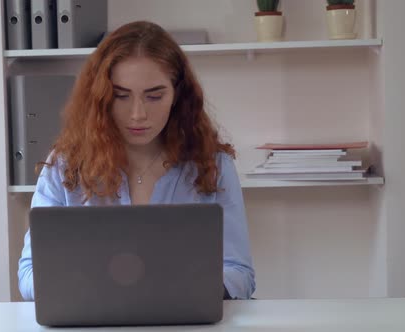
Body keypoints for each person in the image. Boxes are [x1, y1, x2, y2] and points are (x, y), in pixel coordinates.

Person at [18, 21, 255, 301]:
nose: (138, 114)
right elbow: (30, 273)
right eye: (121, 96)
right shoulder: (64, 165)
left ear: (177, 95)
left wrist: (179, 291)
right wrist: (86, 288)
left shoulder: (212, 164)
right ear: (100, 97)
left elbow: (239, 273)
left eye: (155, 96)